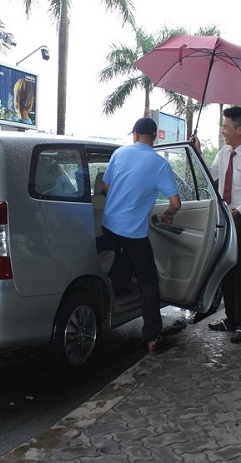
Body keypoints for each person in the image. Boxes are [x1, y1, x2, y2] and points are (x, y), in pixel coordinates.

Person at [100, 117, 181, 353]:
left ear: (135, 134)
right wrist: (168, 213)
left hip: (109, 225)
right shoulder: (160, 165)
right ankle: (153, 337)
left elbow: (105, 187)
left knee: (124, 261)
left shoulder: (119, 154)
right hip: (133, 233)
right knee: (149, 282)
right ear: (154, 138)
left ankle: (114, 293)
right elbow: (176, 202)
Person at [194, 106, 241, 343]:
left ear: (239, 129)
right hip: (227, 215)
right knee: (226, 267)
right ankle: (231, 318)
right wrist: (196, 153)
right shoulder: (224, 153)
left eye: (226, 126)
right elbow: (209, 175)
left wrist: (240, 209)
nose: (222, 130)